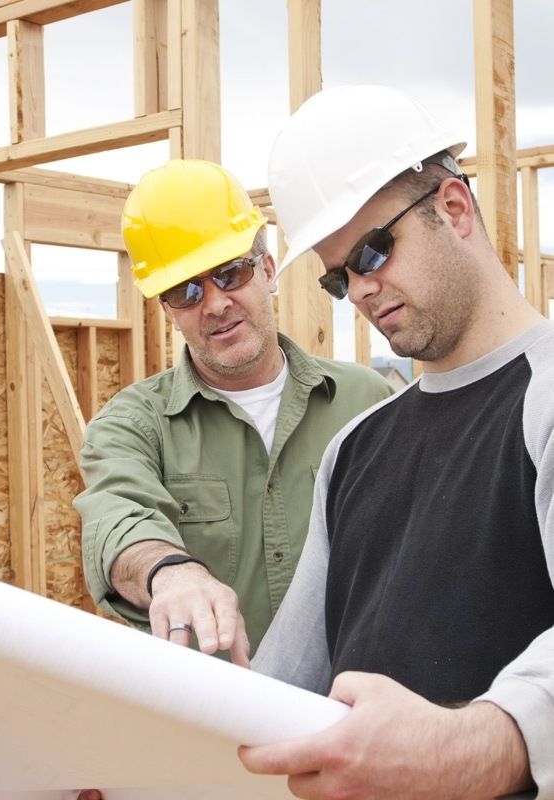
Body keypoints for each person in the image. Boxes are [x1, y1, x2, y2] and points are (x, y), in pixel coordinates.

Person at [239, 84, 554, 798]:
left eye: (374, 251)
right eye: (336, 276)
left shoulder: (545, 396)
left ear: (453, 207)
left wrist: (479, 746)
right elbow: (283, 690)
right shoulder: (355, 448)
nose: (360, 290)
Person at [73, 158, 393, 666]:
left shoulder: (366, 401)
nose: (216, 304)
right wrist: (171, 571)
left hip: (354, 715)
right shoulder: (131, 426)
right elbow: (118, 519)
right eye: (187, 290)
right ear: (168, 310)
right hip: (211, 721)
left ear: (267, 272)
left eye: (230, 272)